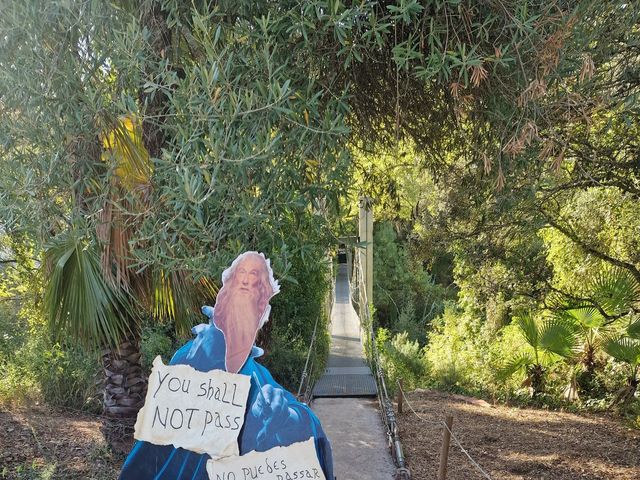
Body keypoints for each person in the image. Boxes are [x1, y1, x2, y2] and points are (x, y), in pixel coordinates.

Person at [119, 252, 333, 479]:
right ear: (224, 297)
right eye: (241, 273)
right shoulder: (190, 357)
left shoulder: (260, 377)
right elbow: (157, 443)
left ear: (262, 308)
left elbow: (306, 424)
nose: (247, 280)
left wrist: (288, 418)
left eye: (255, 278)